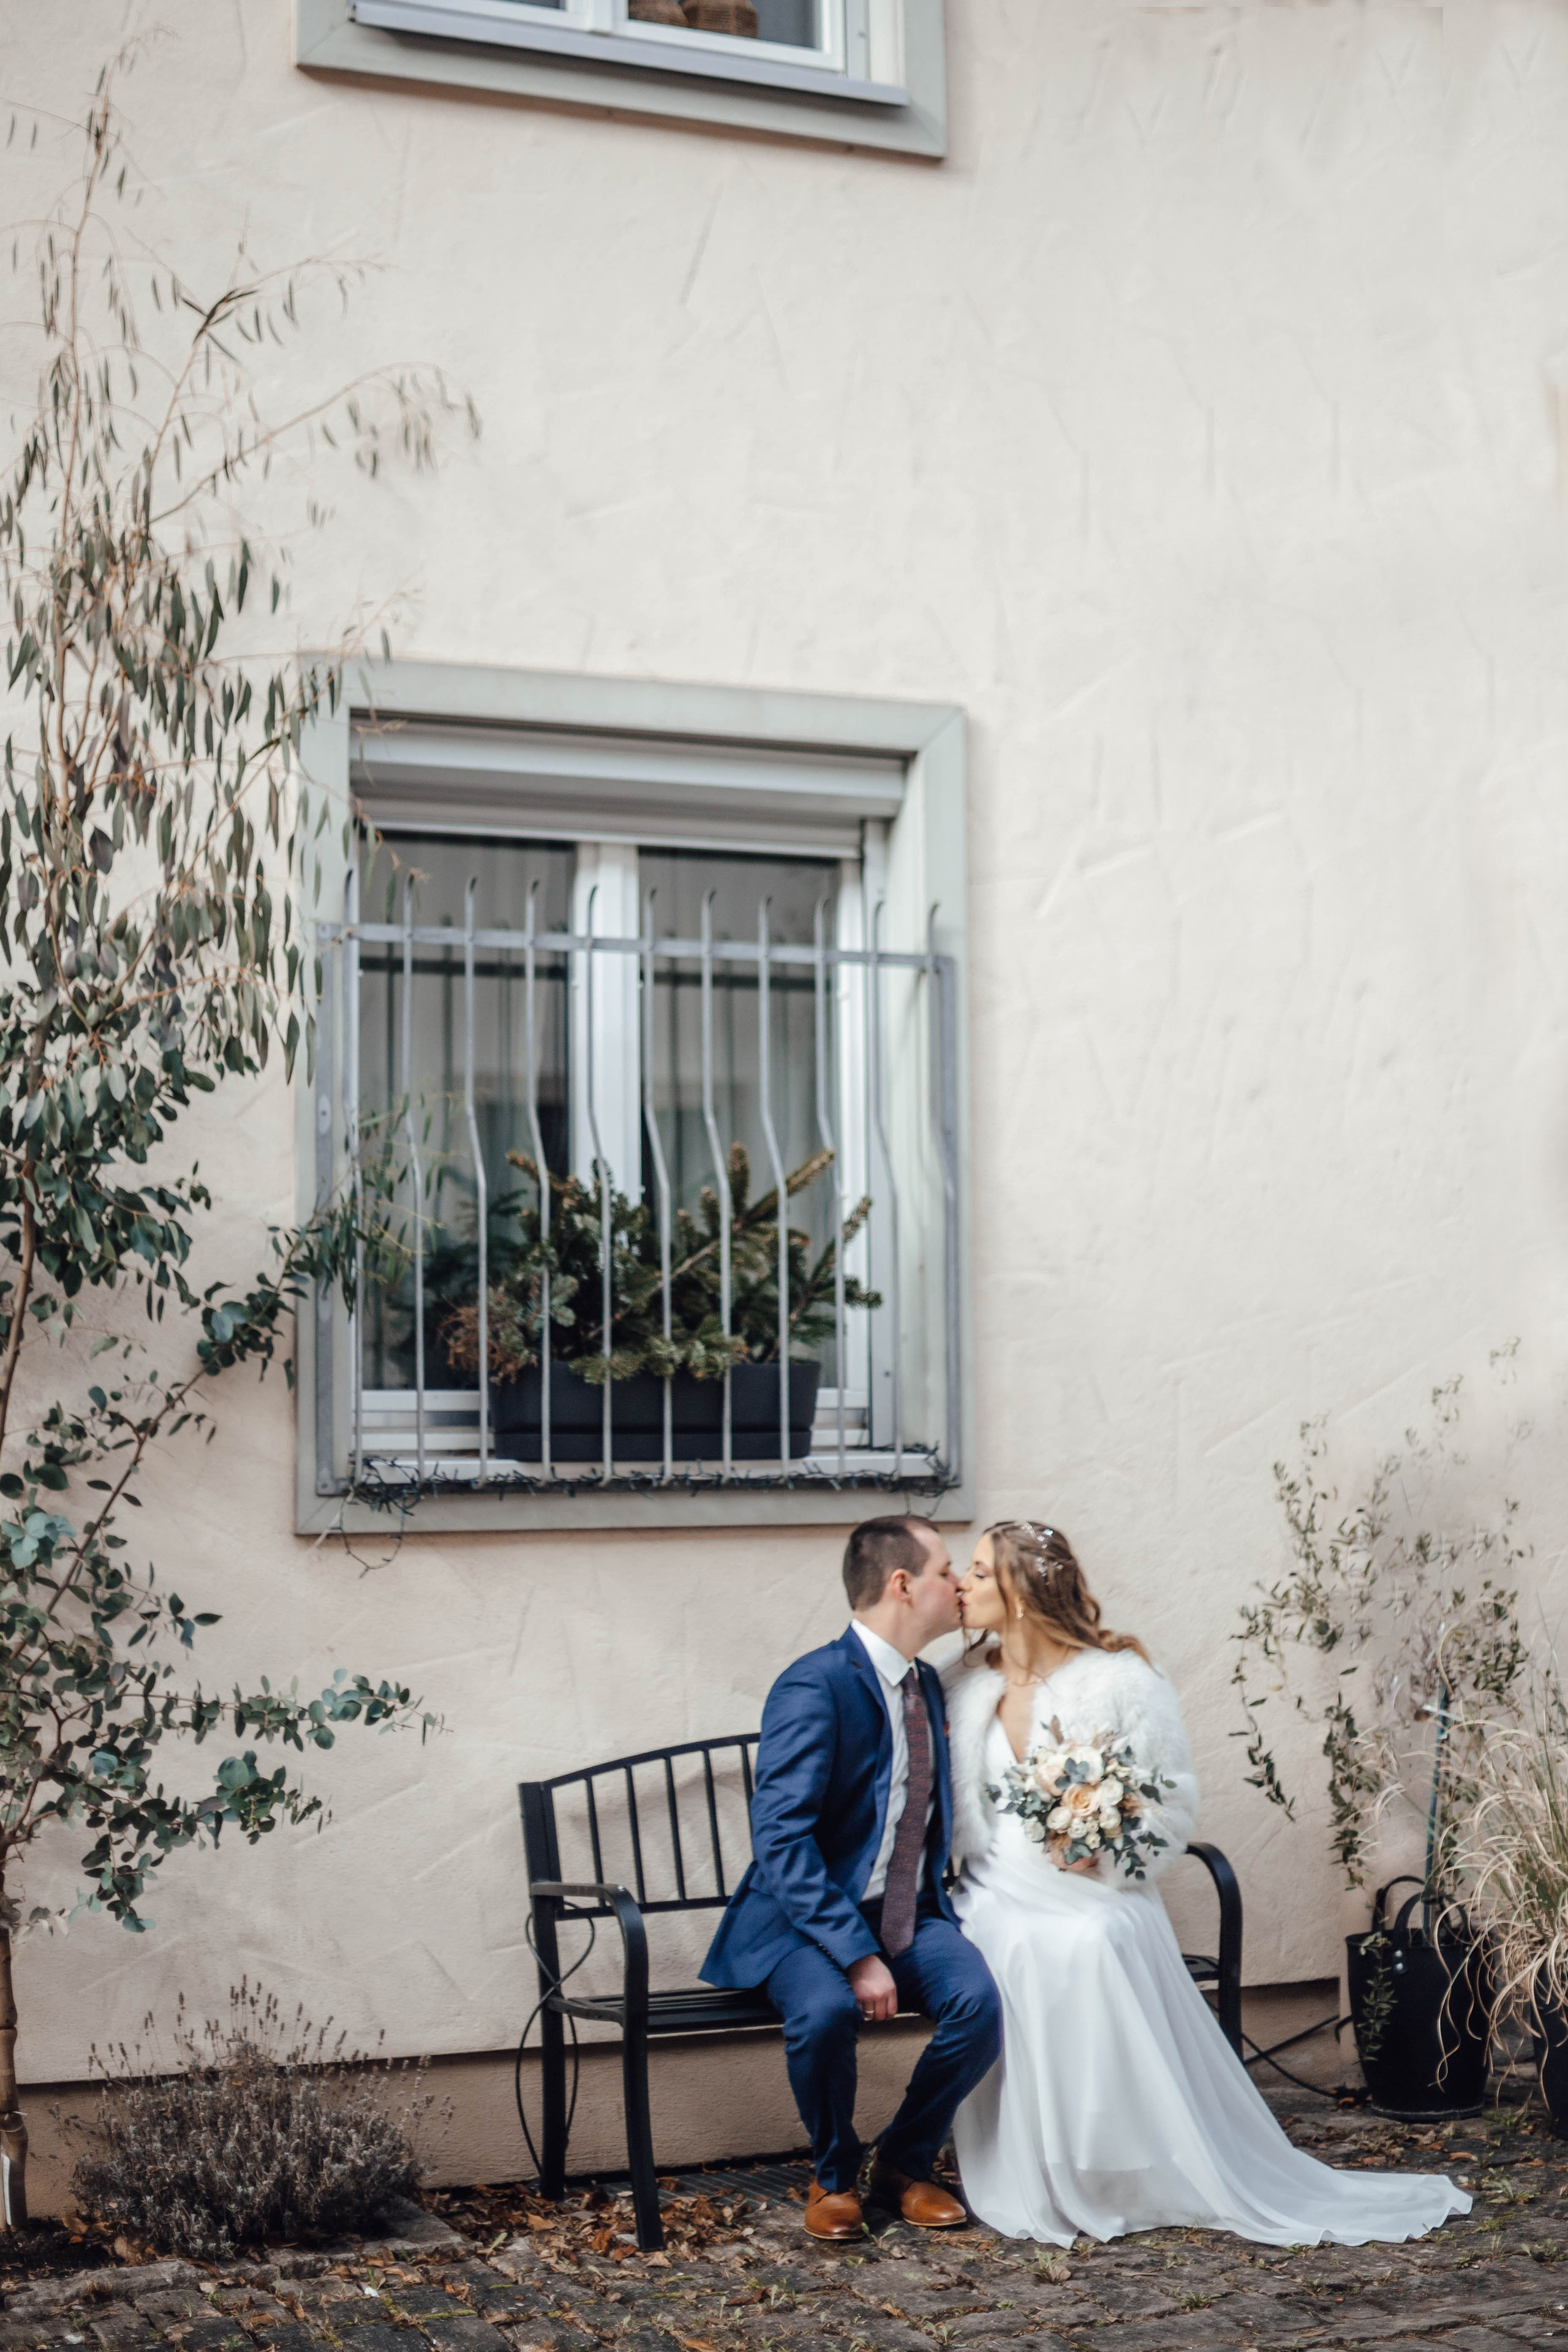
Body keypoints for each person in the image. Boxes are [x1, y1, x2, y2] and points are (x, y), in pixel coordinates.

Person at [944, 1519, 1472, 2247]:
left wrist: (1107, 1847)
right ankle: (1033, 2156)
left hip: (1092, 1882)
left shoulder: (1119, 1680)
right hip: (993, 1881)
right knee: (1008, 1941)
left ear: (1023, 1592)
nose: (960, 1584)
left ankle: (1113, 2162)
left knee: (1097, 1937)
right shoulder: (961, 1686)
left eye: (976, 1571)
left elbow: (1164, 1802)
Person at [701, 1514, 1001, 2241]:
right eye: (945, 1571)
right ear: (901, 1584)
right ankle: (833, 2175)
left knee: (979, 2004)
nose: (959, 1583)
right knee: (826, 2012)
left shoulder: (925, 1684)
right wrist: (857, 1954)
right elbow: (781, 1841)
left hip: (903, 1912)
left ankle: (902, 2162)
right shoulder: (815, 1684)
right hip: (802, 1921)